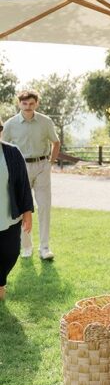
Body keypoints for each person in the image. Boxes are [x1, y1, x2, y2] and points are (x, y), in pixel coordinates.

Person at [2, 90, 59, 261]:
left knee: (44, 207)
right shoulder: (10, 124)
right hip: (20, 168)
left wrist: (50, 163)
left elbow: (55, 142)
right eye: (24, 103)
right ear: (19, 103)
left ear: (37, 103)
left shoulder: (45, 122)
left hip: (42, 166)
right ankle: (26, 246)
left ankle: (45, 248)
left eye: (31, 103)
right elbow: (3, 146)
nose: (28, 107)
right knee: (22, 208)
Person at [0, 122, 34, 300]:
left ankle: (0, 281)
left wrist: (27, 211)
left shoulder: (12, 152)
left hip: (8, 216)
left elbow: (23, 184)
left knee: (11, 253)